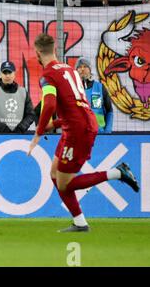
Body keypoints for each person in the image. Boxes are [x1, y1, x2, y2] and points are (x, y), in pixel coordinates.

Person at [28, 33, 140, 232]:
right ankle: (79, 222)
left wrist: (38, 131)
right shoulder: (69, 70)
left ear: (37, 52)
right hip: (77, 124)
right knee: (54, 173)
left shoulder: (48, 76)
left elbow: (49, 105)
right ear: (55, 49)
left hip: (78, 131)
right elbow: (78, 105)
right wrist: (55, 124)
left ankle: (117, 173)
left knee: (64, 184)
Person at [0, 61, 35, 133]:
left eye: (10, 72)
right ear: (0, 74)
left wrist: (21, 128)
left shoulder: (23, 92)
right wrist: (1, 128)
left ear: (14, 74)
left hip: (18, 137)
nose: (7, 76)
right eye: (5, 73)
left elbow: (30, 114)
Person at [75, 57, 113, 134]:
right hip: (78, 134)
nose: (82, 69)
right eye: (79, 67)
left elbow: (109, 111)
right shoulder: (72, 89)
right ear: (76, 71)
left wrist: (107, 130)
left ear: (90, 69)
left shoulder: (99, 87)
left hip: (99, 134)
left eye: (85, 66)